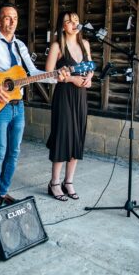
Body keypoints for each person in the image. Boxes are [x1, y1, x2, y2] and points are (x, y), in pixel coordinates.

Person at [0, 3, 65, 210]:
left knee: (14, 152)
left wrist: (56, 76)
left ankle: (3, 192)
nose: (11, 22)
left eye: (15, 18)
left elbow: (31, 72)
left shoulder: (20, 46)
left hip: (18, 106)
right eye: (7, 18)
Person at [45, 11, 93, 201]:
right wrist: (71, 78)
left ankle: (69, 181)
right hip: (64, 95)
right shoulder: (58, 45)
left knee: (77, 137)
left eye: (76, 20)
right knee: (63, 136)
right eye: (68, 22)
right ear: (62, 26)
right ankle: (54, 182)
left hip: (81, 96)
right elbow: (48, 74)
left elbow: (90, 67)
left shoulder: (85, 44)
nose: (73, 24)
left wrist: (89, 79)